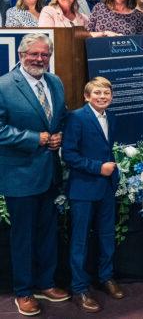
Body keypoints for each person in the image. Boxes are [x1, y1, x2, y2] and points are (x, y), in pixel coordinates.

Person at [0, 33, 69, 316]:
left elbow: (60, 117)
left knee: (47, 232)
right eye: (34, 54)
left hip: (49, 173)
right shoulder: (4, 85)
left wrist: (59, 136)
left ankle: (46, 283)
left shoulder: (55, 82)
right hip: (20, 175)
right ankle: (24, 291)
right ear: (21, 54)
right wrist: (36, 138)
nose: (39, 59)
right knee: (23, 237)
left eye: (44, 54)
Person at [62, 77, 124, 313]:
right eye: (97, 93)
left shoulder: (112, 117)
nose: (102, 97)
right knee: (80, 240)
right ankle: (79, 288)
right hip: (83, 188)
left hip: (106, 188)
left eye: (106, 93)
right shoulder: (77, 118)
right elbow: (69, 154)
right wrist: (98, 167)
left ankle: (106, 277)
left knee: (106, 235)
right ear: (87, 96)